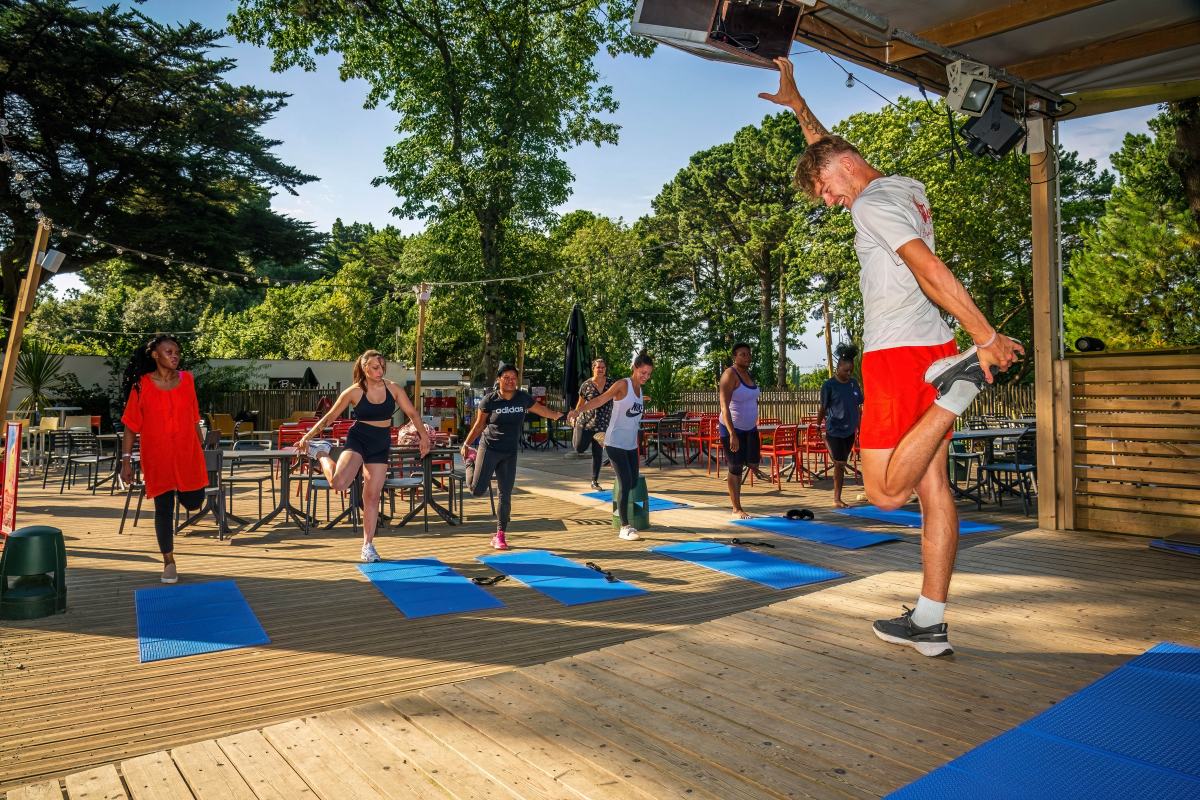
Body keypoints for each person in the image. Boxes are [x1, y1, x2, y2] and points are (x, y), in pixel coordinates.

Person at [760, 58, 1024, 657]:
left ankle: (956, 392)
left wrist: (983, 335)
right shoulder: (901, 188)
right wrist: (799, 106)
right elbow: (828, 152)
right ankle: (930, 619)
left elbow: (926, 267)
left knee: (883, 494)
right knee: (933, 490)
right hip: (930, 347)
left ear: (844, 171)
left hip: (900, 356)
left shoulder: (873, 203)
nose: (830, 203)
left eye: (827, 191)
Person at [297, 350, 430, 563]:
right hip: (358, 439)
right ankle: (320, 452)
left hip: (380, 443)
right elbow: (330, 417)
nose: (380, 371)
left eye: (383, 367)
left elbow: (412, 414)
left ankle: (368, 545)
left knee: (372, 496)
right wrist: (308, 436)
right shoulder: (354, 392)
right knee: (339, 483)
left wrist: (424, 437)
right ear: (365, 368)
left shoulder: (393, 388)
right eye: (376, 367)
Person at [118, 335, 209, 585]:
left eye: (177, 351)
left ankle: (183, 490)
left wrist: (201, 449)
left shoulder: (187, 379)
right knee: (164, 508)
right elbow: (130, 426)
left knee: (194, 502)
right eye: (169, 351)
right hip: (157, 456)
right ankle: (169, 562)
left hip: (188, 454)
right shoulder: (142, 385)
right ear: (155, 355)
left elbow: (194, 418)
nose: (175, 355)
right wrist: (126, 461)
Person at [460, 363, 570, 550]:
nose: (511, 381)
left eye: (514, 378)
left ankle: (500, 534)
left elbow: (544, 411)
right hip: (489, 448)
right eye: (507, 377)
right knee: (477, 490)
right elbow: (479, 425)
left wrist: (563, 416)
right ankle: (471, 461)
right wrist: (467, 444)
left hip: (509, 453)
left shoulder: (522, 398)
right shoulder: (489, 400)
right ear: (499, 379)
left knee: (505, 495)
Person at [568, 351, 653, 541]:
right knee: (625, 483)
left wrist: (642, 399)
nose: (645, 376)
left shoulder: (639, 391)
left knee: (631, 482)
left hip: (630, 444)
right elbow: (600, 399)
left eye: (648, 374)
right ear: (634, 368)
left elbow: (631, 410)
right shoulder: (623, 384)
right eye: (642, 372)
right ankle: (625, 527)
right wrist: (577, 411)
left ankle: (619, 495)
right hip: (614, 441)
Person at [718, 343, 770, 519]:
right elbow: (724, 407)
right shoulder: (729, 375)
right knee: (735, 466)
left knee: (753, 462)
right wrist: (732, 434)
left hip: (750, 428)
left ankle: (753, 467)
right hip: (732, 428)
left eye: (748, 354)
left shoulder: (748, 374)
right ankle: (736, 508)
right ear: (735, 357)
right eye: (742, 354)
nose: (747, 357)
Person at [818, 346, 865, 509]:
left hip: (849, 429)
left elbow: (859, 404)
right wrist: (818, 425)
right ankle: (836, 498)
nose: (848, 374)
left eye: (850, 371)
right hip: (834, 428)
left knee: (842, 464)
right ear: (838, 367)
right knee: (839, 462)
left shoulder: (853, 383)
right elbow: (823, 408)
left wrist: (860, 424)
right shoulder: (829, 385)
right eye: (846, 370)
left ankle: (837, 498)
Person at [573, 357, 615, 491]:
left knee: (597, 453)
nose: (601, 369)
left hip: (602, 424)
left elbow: (621, 396)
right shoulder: (586, 385)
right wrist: (574, 416)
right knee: (579, 449)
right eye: (599, 367)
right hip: (585, 423)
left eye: (603, 367)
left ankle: (594, 481)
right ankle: (578, 433)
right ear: (593, 369)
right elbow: (580, 404)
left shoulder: (611, 383)